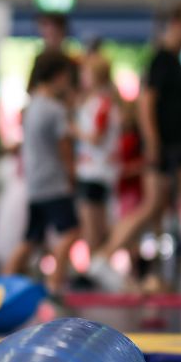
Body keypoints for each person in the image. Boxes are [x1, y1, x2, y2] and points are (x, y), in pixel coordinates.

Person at [86, 2, 181, 293]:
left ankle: (106, 256)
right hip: (171, 146)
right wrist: (152, 143)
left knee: (162, 206)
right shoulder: (161, 60)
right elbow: (146, 104)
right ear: (177, 22)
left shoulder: (179, 64)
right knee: (172, 205)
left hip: (180, 142)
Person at [6, 52, 81, 293]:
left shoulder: (33, 105)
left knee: (32, 238)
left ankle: (4, 282)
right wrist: (71, 176)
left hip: (35, 180)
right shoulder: (55, 109)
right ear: (59, 77)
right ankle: (55, 285)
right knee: (70, 232)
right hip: (53, 181)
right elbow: (65, 148)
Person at [75, 53, 122, 257]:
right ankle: (96, 263)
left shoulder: (102, 104)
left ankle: (97, 263)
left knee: (94, 224)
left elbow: (96, 137)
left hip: (96, 170)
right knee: (93, 223)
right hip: (95, 169)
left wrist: (73, 130)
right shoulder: (97, 102)